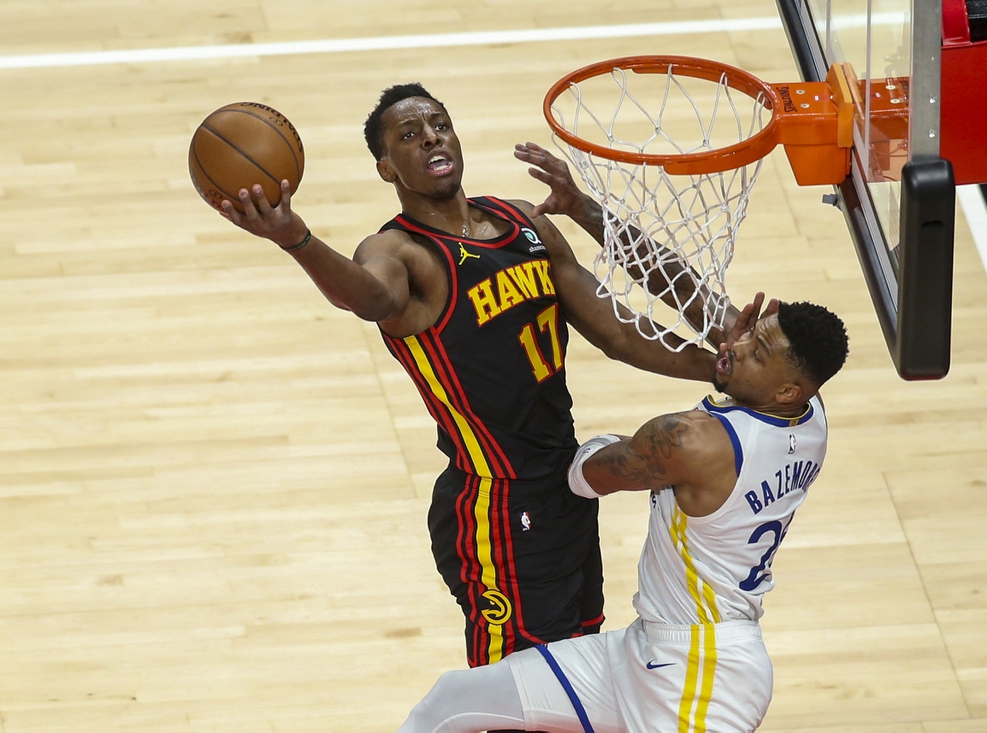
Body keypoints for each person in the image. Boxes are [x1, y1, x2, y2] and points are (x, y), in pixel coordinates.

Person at [216, 83, 725, 670]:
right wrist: (297, 241)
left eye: (439, 123)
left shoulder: (523, 222)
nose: (431, 135)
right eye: (409, 135)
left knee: (578, 672)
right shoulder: (401, 252)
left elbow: (618, 333)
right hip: (495, 505)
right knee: (521, 693)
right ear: (386, 169)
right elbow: (370, 296)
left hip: (564, 485)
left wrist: (716, 368)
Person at [397, 294, 849, 732]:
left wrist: (603, 443)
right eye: (751, 334)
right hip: (644, 651)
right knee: (452, 700)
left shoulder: (693, 443)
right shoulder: (811, 415)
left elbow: (582, 478)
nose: (738, 344)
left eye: (757, 350)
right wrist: (586, 214)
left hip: (704, 678)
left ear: (787, 389)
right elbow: (689, 292)